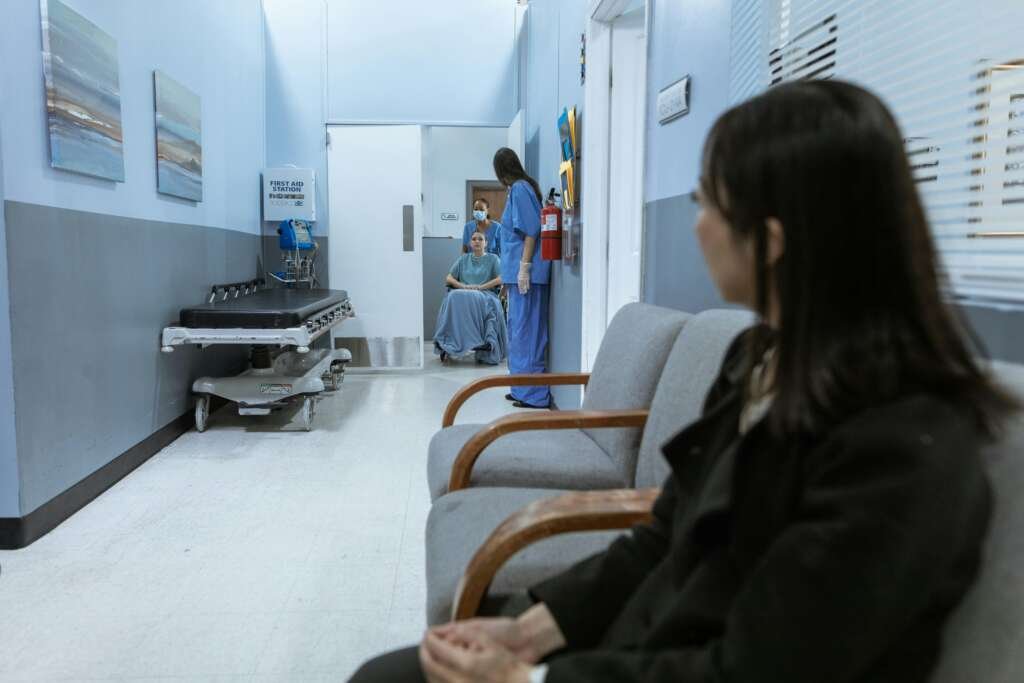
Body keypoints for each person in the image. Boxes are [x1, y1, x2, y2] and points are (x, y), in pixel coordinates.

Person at [350, 80, 1018, 682]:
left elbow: (756, 667)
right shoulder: (760, 361)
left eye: (706, 200)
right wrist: (524, 629)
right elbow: (665, 531)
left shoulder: (899, 446)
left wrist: (527, 681)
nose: (695, 223)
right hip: (647, 641)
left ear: (772, 238)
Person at [493, 148, 551, 409]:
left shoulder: (519, 189)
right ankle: (520, 388)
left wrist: (524, 267)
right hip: (516, 278)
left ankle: (534, 396)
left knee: (527, 333)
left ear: (500, 171)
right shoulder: (516, 190)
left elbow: (532, 230)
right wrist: (508, 278)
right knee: (517, 332)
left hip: (527, 277)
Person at [434, 230, 507, 365]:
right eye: (474, 239)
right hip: (463, 292)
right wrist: (461, 286)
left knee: (473, 298)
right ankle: (446, 339)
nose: (477, 241)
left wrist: (481, 287)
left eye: (480, 239)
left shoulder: (493, 259)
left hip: (485, 293)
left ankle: (482, 341)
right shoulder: (463, 259)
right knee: (452, 296)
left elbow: (501, 278)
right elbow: (449, 277)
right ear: (470, 243)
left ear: (486, 243)